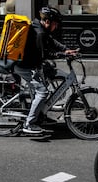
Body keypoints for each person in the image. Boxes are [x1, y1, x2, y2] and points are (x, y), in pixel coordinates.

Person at [15, 6, 77, 134]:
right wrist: (63, 54)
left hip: (31, 64)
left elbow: (52, 42)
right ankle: (29, 124)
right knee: (42, 92)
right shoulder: (40, 33)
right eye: (55, 24)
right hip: (24, 66)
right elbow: (46, 54)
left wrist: (65, 49)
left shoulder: (39, 27)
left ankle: (40, 115)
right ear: (48, 22)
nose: (56, 27)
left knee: (46, 78)